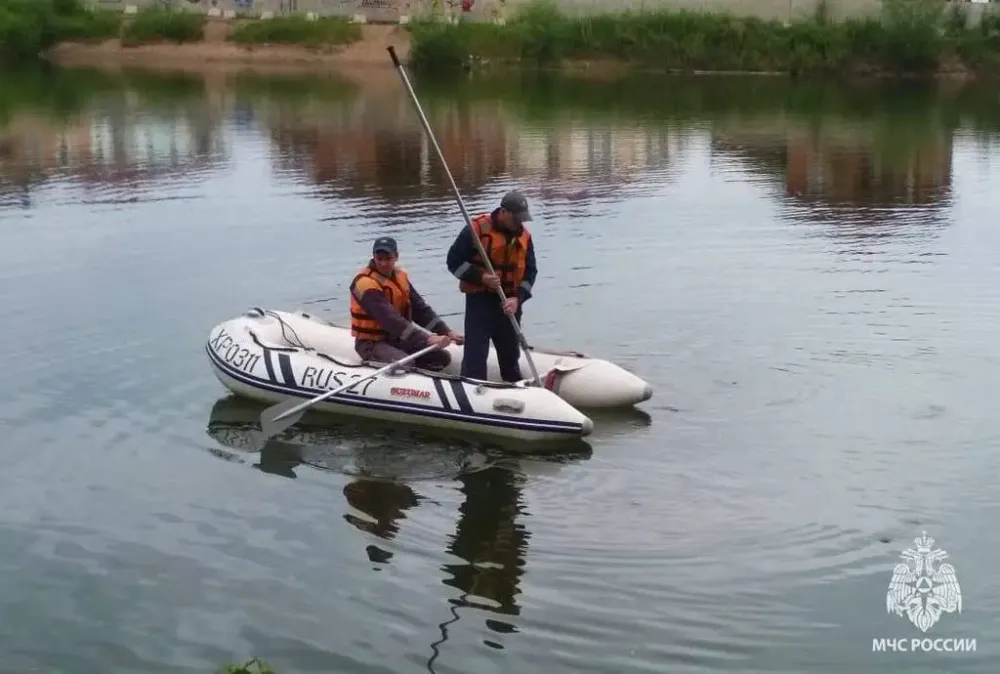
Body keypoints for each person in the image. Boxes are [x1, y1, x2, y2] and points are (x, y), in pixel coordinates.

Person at [446, 190, 537, 382]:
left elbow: (530, 274)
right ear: (503, 212)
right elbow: (453, 262)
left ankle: (514, 388)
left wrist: (518, 299)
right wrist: (481, 277)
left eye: (522, 218)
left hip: (509, 305)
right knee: (476, 355)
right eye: (515, 218)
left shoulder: (525, 237)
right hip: (480, 302)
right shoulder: (477, 229)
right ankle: (472, 388)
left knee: (510, 355)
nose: (519, 223)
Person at [350, 236, 464, 371]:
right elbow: (389, 320)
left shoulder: (400, 277)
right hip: (372, 343)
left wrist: (445, 331)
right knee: (404, 365)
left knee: (441, 357)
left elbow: (420, 310)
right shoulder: (364, 284)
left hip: (397, 339)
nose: (383, 263)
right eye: (379, 259)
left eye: (388, 258)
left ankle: (423, 381)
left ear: (396, 257)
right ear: (373, 257)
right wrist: (427, 339)